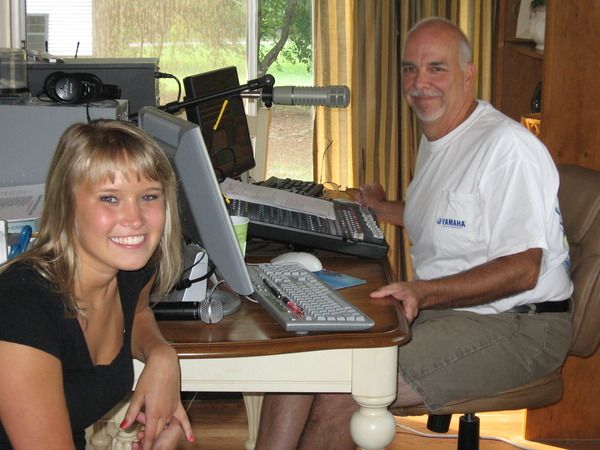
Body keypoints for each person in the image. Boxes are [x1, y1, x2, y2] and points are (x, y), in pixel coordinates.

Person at [254, 17, 573, 450]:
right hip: (456, 311)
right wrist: (382, 209)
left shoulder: (506, 148)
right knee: (306, 348)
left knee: (346, 388)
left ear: (468, 74)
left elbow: (524, 268)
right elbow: (451, 216)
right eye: (410, 68)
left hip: (522, 325)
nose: (420, 83)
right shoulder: (440, 135)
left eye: (436, 68)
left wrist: (423, 292)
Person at [0, 120, 196, 449]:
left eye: (149, 196)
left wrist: (162, 355)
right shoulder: (21, 306)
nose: (135, 219)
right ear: (66, 206)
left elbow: (139, 313)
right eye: (110, 198)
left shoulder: (132, 269)